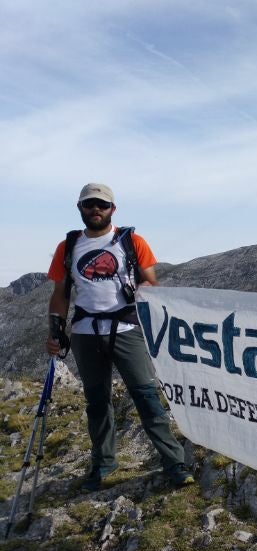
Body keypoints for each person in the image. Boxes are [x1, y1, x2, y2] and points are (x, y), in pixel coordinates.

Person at [46, 183, 194, 491]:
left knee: (146, 395)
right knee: (96, 402)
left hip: (127, 330)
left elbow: (152, 285)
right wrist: (56, 330)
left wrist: (140, 291)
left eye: (102, 204)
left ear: (113, 209)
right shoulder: (68, 246)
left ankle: (174, 462)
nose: (95, 209)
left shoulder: (131, 241)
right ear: (80, 208)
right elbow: (60, 293)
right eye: (89, 204)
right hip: (86, 333)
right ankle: (103, 464)